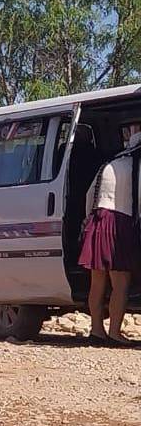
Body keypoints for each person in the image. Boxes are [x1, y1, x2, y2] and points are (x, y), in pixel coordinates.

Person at [78, 122, 141, 346]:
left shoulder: (111, 162)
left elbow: (89, 195)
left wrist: (89, 220)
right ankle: (115, 332)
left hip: (98, 219)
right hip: (120, 221)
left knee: (98, 282)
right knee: (121, 284)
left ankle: (96, 329)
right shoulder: (135, 163)